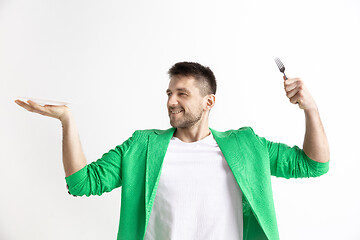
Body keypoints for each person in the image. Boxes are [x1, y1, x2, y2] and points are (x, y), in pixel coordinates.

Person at [14, 61, 330, 240]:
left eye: (182, 93)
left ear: (209, 102)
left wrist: (310, 109)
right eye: (169, 93)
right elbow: (82, 183)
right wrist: (67, 121)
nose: (171, 101)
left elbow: (315, 165)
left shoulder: (246, 146)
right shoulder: (142, 146)